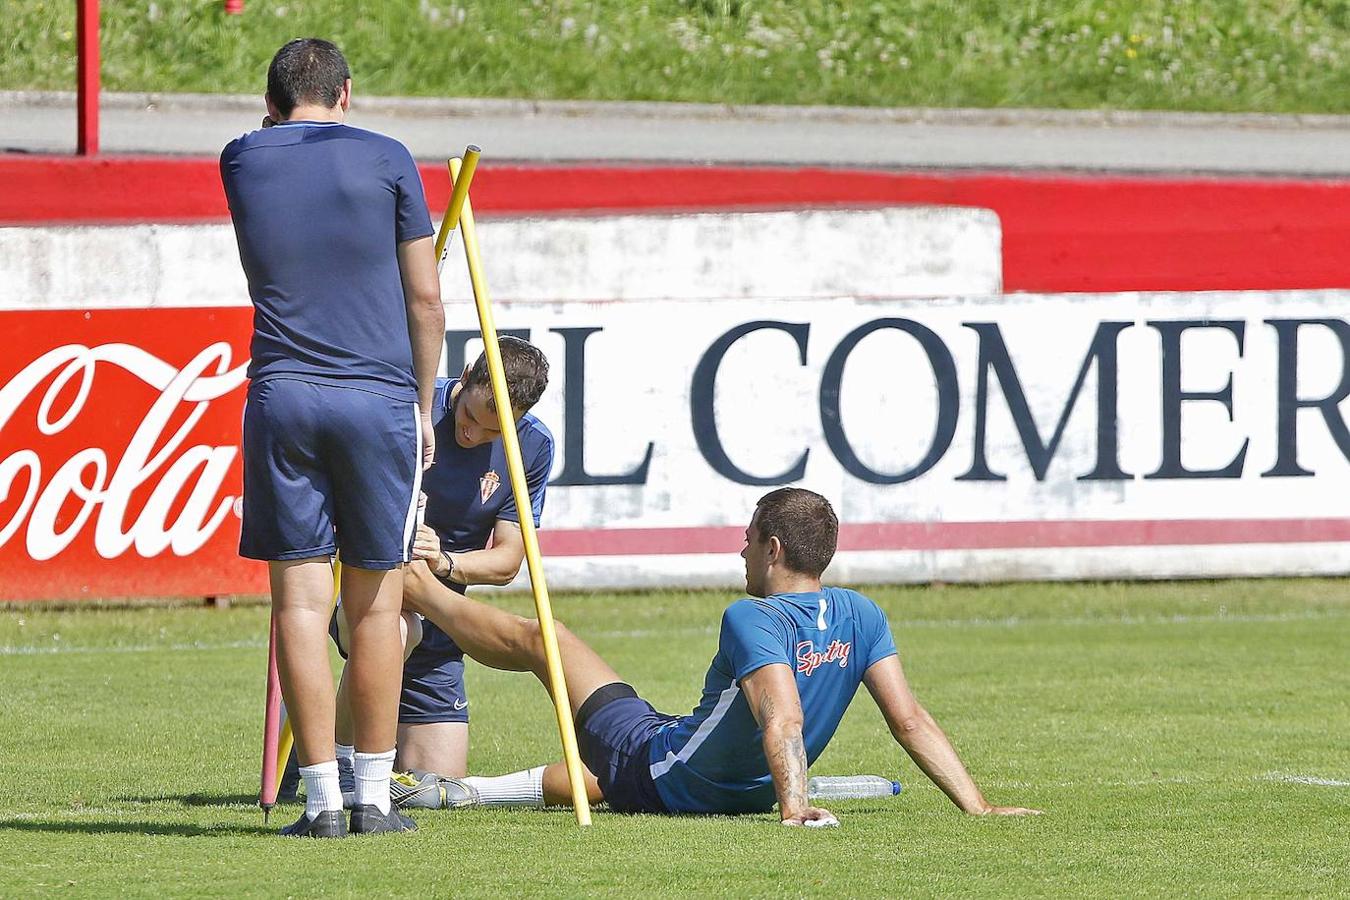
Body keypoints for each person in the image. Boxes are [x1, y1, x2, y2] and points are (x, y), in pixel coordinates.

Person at [400, 488, 1040, 823]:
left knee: (548, 640)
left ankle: (416, 587)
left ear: (775, 549)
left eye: (749, 539)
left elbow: (782, 717)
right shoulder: (863, 613)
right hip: (738, 789)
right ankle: (466, 794)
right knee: (605, 778)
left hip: (665, 770)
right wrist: (976, 805)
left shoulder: (752, 615)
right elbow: (910, 720)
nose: (741, 552)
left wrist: (794, 809)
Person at [220, 37, 444, 837]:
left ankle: (317, 801)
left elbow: (272, 147)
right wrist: (423, 403)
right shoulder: (390, 158)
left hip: (284, 393)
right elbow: (425, 300)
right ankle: (374, 799)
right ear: (346, 93)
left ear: (273, 102)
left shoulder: (242, 160)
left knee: (299, 607)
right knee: (377, 608)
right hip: (378, 395)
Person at [322, 338, 553, 806]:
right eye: (468, 419)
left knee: (434, 790)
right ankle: (335, 759)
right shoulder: (410, 410)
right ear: (466, 377)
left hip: (444, 624)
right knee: (397, 630)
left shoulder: (533, 446)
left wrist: (445, 561)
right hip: (375, 601)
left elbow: (508, 561)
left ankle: (342, 729)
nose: (472, 435)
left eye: (491, 435)